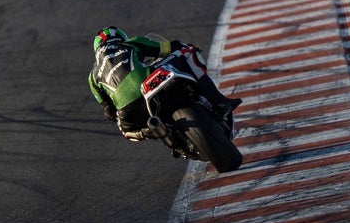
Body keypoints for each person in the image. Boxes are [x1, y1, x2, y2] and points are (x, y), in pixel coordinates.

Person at [88, 26, 241, 141]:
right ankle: (219, 101)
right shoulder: (130, 44)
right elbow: (166, 48)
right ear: (121, 38)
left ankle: (151, 132)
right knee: (185, 51)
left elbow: (108, 111)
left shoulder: (92, 76)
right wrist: (186, 46)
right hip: (146, 84)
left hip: (128, 111)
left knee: (125, 129)